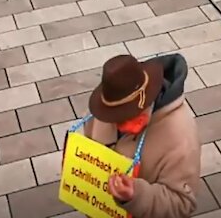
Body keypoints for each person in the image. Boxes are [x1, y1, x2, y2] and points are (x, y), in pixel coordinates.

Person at [80, 54, 200, 218]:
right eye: (113, 117)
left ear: (146, 100)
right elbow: (86, 144)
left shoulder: (180, 135)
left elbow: (182, 203)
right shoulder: (103, 109)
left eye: (128, 115)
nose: (120, 125)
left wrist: (136, 195)